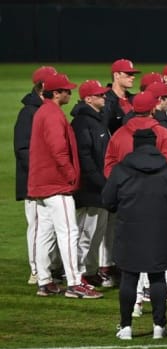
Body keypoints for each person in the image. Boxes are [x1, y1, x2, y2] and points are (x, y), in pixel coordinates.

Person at [103, 128, 167, 340]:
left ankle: (126, 327)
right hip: (160, 229)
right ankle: (159, 326)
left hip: (129, 229)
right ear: (155, 144)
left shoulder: (121, 170)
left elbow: (108, 201)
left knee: (129, 278)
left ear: (135, 144)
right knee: (157, 277)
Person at [29, 73, 103, 299]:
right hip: (55, 184)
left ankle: (44, 281)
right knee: (69, 232)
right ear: (56, 93)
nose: (69, 94)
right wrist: (71, 176)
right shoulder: (52, 114)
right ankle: (74, 283)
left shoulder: (44, 111)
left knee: (45, 234)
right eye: (66, 91)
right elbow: (58, 150)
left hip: (41, 184)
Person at [14, 65, 58, 285]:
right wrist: (39, 174)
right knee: (38, 225)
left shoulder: (46, 109)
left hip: (47, 180)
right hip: (34, 181)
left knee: (47, 226)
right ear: (43, 85)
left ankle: (46, 266)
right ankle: (35, 270)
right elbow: (22, 149)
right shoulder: (29, 112)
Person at [71, 80, 112, 287]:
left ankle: (90, 270)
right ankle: (77, 274)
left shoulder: (96, 119)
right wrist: (101, 182)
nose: (104, 97)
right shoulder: (81, 122)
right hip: (89, 189)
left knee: (96, 234)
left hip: (101, 187)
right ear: (88, 99)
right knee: (85, 234)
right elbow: (84, 158)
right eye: (100, 95)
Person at [103, 59, 140, 135]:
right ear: (116, 75)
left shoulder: (134, 99)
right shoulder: (104, 100)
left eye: (133, 74)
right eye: (129, 74)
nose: (133, 77)